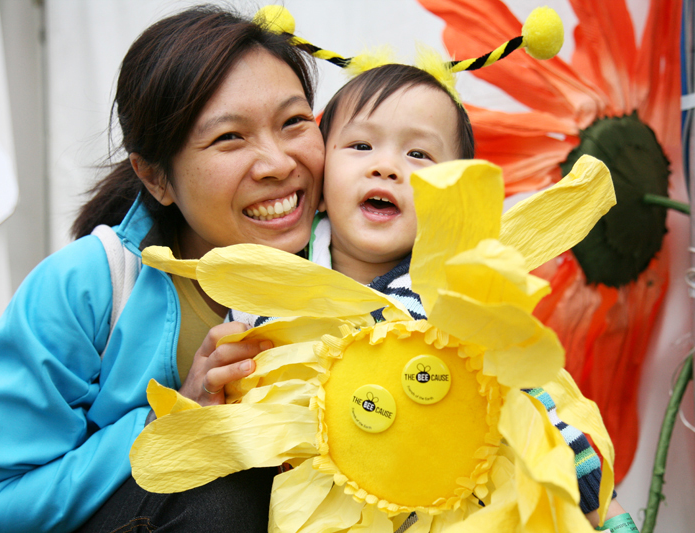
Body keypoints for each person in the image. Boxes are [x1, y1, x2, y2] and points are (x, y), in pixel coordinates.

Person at [0, 5, 325, 532]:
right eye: (230, 138)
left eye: (293, 122)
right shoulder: (85, 286)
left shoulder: (348, 263)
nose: (279, 163)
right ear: (155, 177)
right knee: (222, 492)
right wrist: (171, 420)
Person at [231, 61, 634, 531]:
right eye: (361, 145)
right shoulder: (277, 291)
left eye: (419, 155)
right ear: (318, 184)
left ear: (454, 202)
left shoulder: (458, 300)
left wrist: (603, 512)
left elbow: (539, 409)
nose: (385, 165)